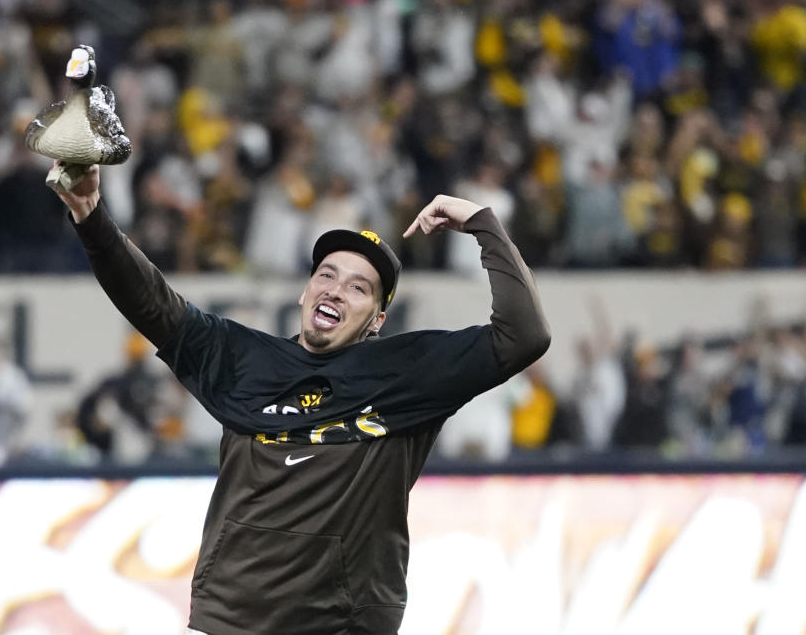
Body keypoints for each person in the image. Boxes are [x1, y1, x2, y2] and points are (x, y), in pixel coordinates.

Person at [52, 164, 550, 634]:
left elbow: (524, 334)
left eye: (360, 288)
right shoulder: (246, 360)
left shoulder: (410, 371)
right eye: (327, 275)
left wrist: (482, 224)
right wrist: (91, 216)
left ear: (377, 320)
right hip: (234, 621)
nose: (335, 291)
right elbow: (150, 300)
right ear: (305, 291)